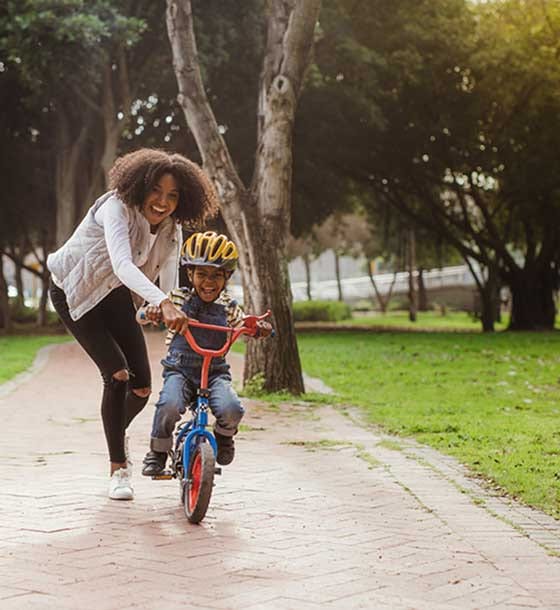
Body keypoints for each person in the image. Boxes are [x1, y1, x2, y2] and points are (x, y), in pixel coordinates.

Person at [47, 148, 218, 501]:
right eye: (156, 190)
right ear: (140, 185)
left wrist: (167, 302)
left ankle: (115, 430)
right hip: (73, 291)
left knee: (141, 387)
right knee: (117, 375)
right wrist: (162, 302)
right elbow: (122, 264)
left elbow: (170, 273)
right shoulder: (115, 207)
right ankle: (118, 469)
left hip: (114, 296)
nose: (162, 202)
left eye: (172, 195)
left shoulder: (173, 228)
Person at [137, 231, 272, 476]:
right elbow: (144, 314)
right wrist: (152, 313)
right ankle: (158, 451)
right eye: (201, 274)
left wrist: (257, 328)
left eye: (216, 275)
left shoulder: (229, 306)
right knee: (169, 404)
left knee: (232, 408)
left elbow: (244, 323)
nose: (208, 282)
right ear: (190, 274)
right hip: (180, 370)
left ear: (227, 277)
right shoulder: (177, 298)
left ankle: (224, 436)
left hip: (215, 373)